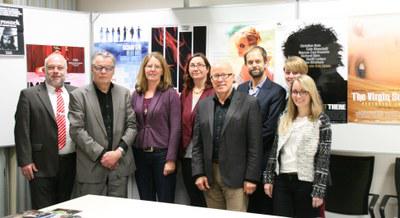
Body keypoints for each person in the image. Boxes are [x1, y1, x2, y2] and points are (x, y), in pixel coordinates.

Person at [192, 62, 262, 212]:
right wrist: (199, 173)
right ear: (210, 79)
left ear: (233, 78)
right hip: (209, 175)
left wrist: (251, 178)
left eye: (225, 75)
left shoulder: (249, 103)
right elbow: (197, 144)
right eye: (216, 76)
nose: (220, 79)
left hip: (237, 176)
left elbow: (255, 145)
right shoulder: (203, 105)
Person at [69, 51, 136, 197]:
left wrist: (118, 153)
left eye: (108, 68)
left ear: (113, 71)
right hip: (91, 168)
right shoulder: (78, 95)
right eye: (99, 67)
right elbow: (76, 130)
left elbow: (132, 126)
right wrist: (102, 155)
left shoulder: (124, 93)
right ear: (92, 69)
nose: (103, 71)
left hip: (119, 166)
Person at [263, 75, 331, 218]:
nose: (298, 96)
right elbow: (275, 151)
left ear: (311, 93)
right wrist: (268, 178)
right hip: (282, 181)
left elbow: (323, 158)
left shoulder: (321, 120)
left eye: (303, 92)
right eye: (294, 92)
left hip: (306, 182)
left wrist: (319, 190)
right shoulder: (284, 117)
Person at [15, 53, 76, 209]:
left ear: (66, 70)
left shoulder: (76, 93)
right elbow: (22, 130)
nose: (56, 71)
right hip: (40, 165)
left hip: (71, 163)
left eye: (60, 67)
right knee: (44, 210)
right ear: (44, 70)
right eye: (51, 67)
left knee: (66, 209)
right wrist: (25, 160)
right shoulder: (29, 95)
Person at [237, 46, 286, 214]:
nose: (254, 65)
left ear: (266, 62)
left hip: (263, 160)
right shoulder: (241, 90)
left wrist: (242, 143)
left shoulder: (277, 92)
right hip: (241, 162)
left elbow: (270, 128)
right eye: (250, 62)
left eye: (258, 61)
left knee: (262, 209)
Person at [131, 52, 181, 203]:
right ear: (144, 69)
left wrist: (171, 159)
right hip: (140, 155)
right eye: (149, 66)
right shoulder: (136, 94)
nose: (152, 69)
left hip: (162, 156)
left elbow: (176, 128)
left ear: (162, 70)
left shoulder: (170, 94)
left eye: (156, 66)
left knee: (165, 202)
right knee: (146, 201)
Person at [180, 53, 214, 207]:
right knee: (194, 199)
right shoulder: (185, 92)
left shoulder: (213, 92)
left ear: (207, 69)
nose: (196, 68)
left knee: (210, 200)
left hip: (208, 156)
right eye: (192, 65)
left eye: (200, 65)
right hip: (187, 155)